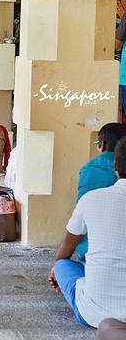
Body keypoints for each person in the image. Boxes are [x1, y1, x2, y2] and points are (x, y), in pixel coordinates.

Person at [47, 137, 126, 329]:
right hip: (102, 312)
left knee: (64, 265)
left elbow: (68, 245)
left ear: (115, 165)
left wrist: (56, 269)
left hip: (96, 312)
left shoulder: (92, 199)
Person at [74, 123, 126, 263]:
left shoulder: (91, 168)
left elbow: (80, 215)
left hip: (92, 248)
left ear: (101, 145)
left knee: (62, 265)